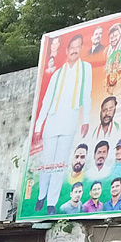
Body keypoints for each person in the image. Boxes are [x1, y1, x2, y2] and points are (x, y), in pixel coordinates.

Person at [34, 34, 92, 213]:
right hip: (52, 121)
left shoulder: (85, 68)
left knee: (59, 164)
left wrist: (86, 120)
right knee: (46, 163)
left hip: (70, 120)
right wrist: (38, 126)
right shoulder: (57, 74)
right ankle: (41, 196)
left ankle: (51, 202)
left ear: (81, 48)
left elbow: (86, 94)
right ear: (66, 51)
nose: (74, 50)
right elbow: (46, 100)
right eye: (71, 47)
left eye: (78, 47)